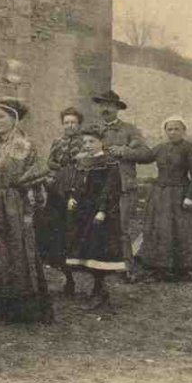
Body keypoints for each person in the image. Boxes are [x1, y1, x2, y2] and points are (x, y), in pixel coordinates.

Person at [0, 98, 52, 323]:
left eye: (1, 117)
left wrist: (6, 190)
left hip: (11, 202)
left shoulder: (21, 143)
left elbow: (14, 175)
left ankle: (17, 308)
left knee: (13, 249)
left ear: (13, 118)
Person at [136, 116, 192, 281]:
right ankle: (160, 266)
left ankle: (181, 268)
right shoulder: (160, 148)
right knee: (160, 228)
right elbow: (144, 158)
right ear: (165, 131)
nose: (173, 132)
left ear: (183, 131)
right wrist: (130, 148)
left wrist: (190, 196)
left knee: (180, 229)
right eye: (169, 129)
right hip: (160, 194)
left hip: (179, 194)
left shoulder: (190, 149)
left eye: (177, 129)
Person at [92, 90, 152, 282]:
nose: (105, 108)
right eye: (102, 105)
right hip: (98, 187)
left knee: (122, 228)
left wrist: (125, 151)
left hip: (123, 187)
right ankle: (100, 266)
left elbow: (146, 154)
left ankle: (128, 268)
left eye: (110, 105)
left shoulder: (129, 130)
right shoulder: (93, 130)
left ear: (118, 108)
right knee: (97, 226)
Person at [64, 125, 126, 310]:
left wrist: (102, 210)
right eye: (85, 142)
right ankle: (97, 290)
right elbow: (75, 183)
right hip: (83, 211)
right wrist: (72, 197)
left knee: (98, 249)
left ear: (102, 142)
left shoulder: (110, 163)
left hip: (101, 212)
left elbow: (111, 189)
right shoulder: (82, 162)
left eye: (92, 141)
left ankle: (100, 291)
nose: (88, 145)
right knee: (85, 249)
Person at [35, 106, 85, 295]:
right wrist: (56, 172)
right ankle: (64, 275)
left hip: (77, 191)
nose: (69, 126)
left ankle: (77, 273)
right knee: (56, 231)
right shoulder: (58, 142)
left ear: (79, 124)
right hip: (57, 191)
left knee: (74, 231)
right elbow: (50, 162)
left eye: (73, 122)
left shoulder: (84, 142)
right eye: (66, 123)